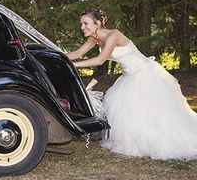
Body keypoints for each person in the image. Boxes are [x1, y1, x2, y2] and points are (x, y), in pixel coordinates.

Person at [67, 8, 197, 160]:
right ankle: (139, 142)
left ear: (98, 23)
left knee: (155, 112)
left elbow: (100, 60)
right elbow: (76, 53)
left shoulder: (113, 35)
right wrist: (59, 57)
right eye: (81, 24)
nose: (82, 27)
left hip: (145, 73)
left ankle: (167, 141)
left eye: (85, 23)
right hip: (129, 76)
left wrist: (73, 65)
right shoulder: (94, 39)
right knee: (129, 113)